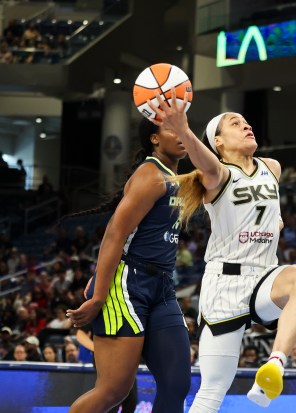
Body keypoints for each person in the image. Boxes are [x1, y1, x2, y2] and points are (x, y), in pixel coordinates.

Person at [147, 91, 296, 411]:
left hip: (264, 278)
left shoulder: (273, 167)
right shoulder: (217, 175)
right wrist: (183, 130)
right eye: (234, 123)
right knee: (213, 388)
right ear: (218, 143)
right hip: (225, 284)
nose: (246, 125)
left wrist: (275, 224)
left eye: (245, 121)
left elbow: (269, 212)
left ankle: (275, 366)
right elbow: (204, 161)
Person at [65, 118, 191, 413]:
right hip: (126, 285)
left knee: (176, 383)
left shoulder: (177, 177)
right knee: (113, 390)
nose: (183, 134)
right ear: (154, 139)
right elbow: (114, 235)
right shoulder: (151, 175)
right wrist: (98, 296)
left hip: (161, 285)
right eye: (172, 129)